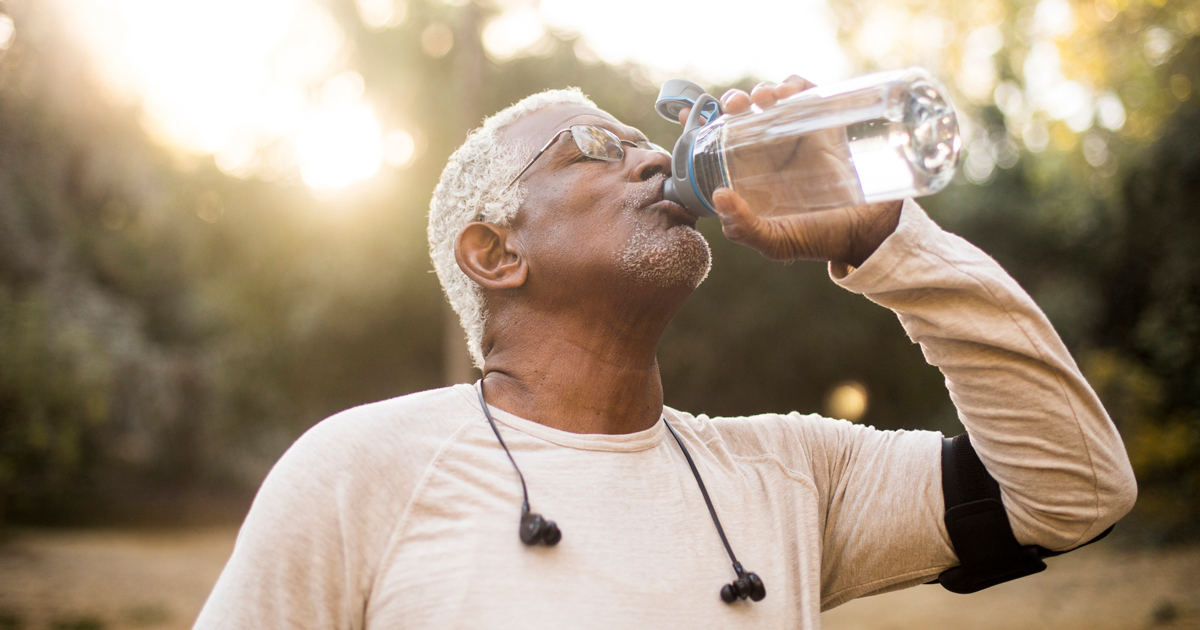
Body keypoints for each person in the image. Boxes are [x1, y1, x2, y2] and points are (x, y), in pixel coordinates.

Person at [194, 77, 1137, 629]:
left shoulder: (792, 473)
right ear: (496, 252)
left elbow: (1076, 490)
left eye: (648, 140)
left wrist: (886, 243)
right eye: (593, 148)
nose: (652, 159)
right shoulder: (360, 471)